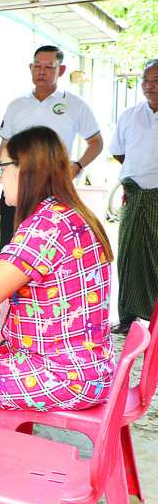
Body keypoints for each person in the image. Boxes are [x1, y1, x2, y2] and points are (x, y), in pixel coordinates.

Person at [0, 126, 114, 433]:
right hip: (83, 363)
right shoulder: (65, 213)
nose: (0, 178)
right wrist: (1, 262)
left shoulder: (46, 224)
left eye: (2, 169)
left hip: (63, 374)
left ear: (25, 170)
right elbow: (48, 274)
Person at [0, 45, 103, 249]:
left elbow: (96, 142)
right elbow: (3, 149)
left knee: (48, 247)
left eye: (49, 67)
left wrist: (77, 166)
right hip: (16, 190)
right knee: (11, 244)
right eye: (37, 66)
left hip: (54, 189)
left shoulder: (75, 105)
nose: (41, 71)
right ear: (30, 67)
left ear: (62, 70)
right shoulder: (16, 105)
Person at [109, 59, 158, 334]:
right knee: (129, 256)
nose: (149, 86)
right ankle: (128, 318)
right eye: (145, 81)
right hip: (134, 195)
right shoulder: (129, 115)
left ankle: (156, 320)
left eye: (156, 81)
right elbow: (119, 153)